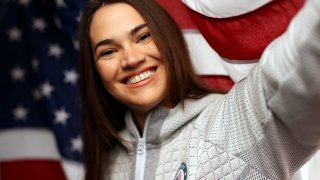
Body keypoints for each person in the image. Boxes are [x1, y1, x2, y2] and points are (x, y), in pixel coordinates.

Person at [79, 0, 320, 179]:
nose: (131, 59)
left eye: (143, 37)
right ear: (95, 71)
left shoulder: (233, 124)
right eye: (108, 51)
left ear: (168, 40)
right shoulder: (103, 166)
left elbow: (297, 63)